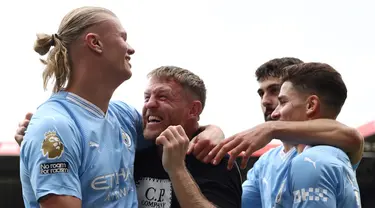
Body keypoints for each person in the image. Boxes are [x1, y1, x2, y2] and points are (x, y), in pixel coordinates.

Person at [19, 7, 223, 208]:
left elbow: (172, 130)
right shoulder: (55, 126)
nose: (130, 49)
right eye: (123, 38)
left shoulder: (124, 116)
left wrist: (213, 130)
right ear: (95, 43)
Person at [207, 57, 363, 208]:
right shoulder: (266, 162)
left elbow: (353, 137)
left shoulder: (326, 152)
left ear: (310, 102)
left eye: (275, 92)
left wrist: (271, 128)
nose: (265, 101)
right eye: (261, 94)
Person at [135, 66, 242, 208]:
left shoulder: (216, 161)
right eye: (147, 97)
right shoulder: (134, 151)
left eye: (162, 97)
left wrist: (177, 168)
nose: (149, 104)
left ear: (193, 110)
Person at [272, 62, 361, 207]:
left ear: (311, 105)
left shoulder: (311, 161)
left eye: (282, 102)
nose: (275, 113)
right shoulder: (338, 157)